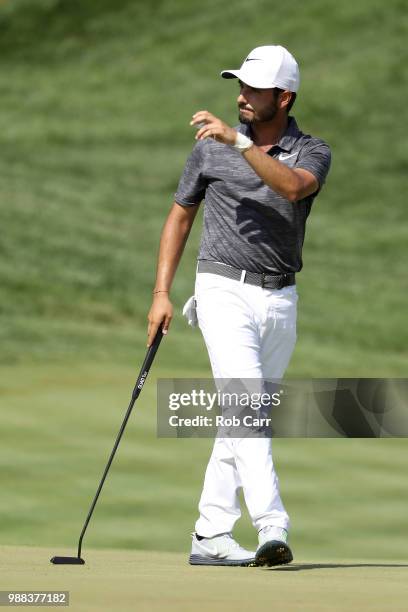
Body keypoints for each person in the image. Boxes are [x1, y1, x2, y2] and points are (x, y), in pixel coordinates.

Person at [147, 45, 332, 567]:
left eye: (253, 90)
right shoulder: (211, 149)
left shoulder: (312, 150)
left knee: (242, 415)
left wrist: (242, 143)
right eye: (240, 87)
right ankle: (273, 524)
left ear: (284, 96)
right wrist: (162, 294)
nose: (241, 97)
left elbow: (294, 189)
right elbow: (180, 216)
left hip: (280, 299)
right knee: (248, 406)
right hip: (220, 288)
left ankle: (210, 532)